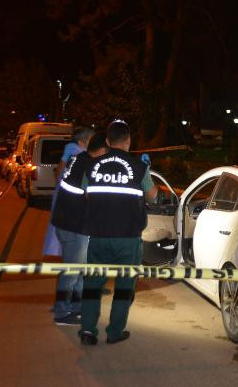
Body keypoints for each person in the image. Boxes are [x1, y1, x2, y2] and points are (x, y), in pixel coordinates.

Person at [79, 119, 158, 345]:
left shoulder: (92, 165)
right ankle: (114, 332)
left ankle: (87, 330)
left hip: (99, 236)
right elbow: (153, 196)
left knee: (93, 284)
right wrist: (147, 173)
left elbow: (87, 194)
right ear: (129, 141)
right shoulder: (138, 167)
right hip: (128, 238)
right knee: (125, 286)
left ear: (107, 141)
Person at [50, 132, 108, 326]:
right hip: (75, 226)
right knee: (73, 271)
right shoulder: (91, 166)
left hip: (65, 222)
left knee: (79, 269)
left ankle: (76, 307)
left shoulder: (78, 158)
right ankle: (61, 312)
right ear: (102, 150)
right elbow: (91, 197)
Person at [42, 127, 94, 257]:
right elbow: (59, 174)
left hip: (66, 209)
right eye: (91, 140)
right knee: (75, 253)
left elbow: (58, 175)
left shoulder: (76, 153)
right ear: (82, 142)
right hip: (73, 213)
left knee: (69, 250)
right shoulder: (78, 154)